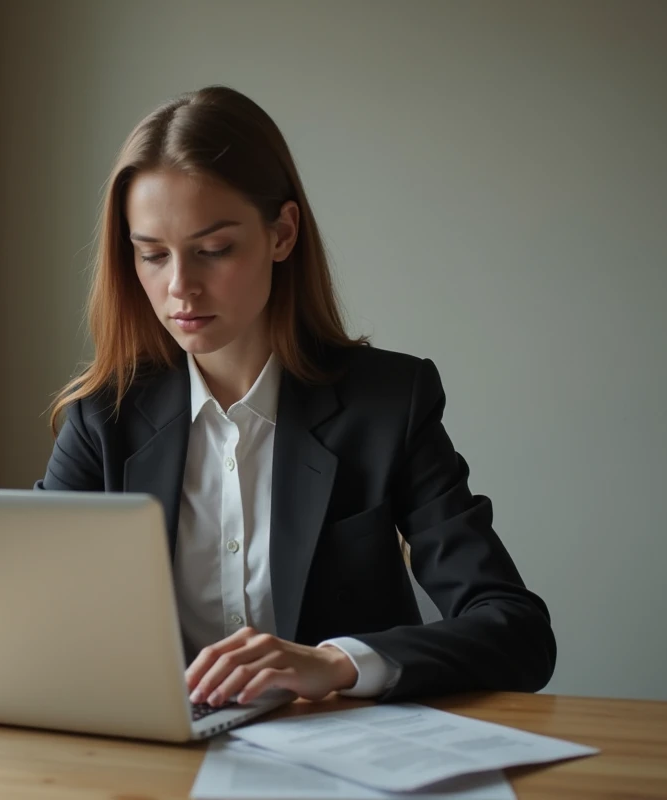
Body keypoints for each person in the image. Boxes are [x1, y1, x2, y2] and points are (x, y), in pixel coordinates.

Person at [36, 85, 555, 707]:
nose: (180, 288)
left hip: (343, 761)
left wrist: (336, 662)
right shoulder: (104, 415)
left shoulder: (390, 403)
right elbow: (29, 614)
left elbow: (516, 630)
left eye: (213, 250)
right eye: (151, 255)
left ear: (282, 233)